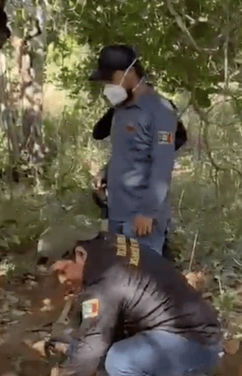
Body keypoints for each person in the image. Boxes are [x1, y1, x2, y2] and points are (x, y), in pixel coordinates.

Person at [35, 221, 224, 376]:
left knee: (118, 360)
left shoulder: (105, 285)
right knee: (88, 345)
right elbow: (95, 322)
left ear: (79, 253)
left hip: (196, 343)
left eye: (63, 271)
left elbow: (92, 346)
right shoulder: (107, 245)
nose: (63, 280)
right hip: (182, 327)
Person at [88, 45, 180, 256]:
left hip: (140, 220)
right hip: (117, 214)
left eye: (110, 79)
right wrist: (106, 173)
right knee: (120, 276)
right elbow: (127, 151)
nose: (108, 85)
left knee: (140, 280)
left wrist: (148, 212)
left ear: (129, 73)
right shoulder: (121, 109)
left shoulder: (160, 110)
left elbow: (163, 165)